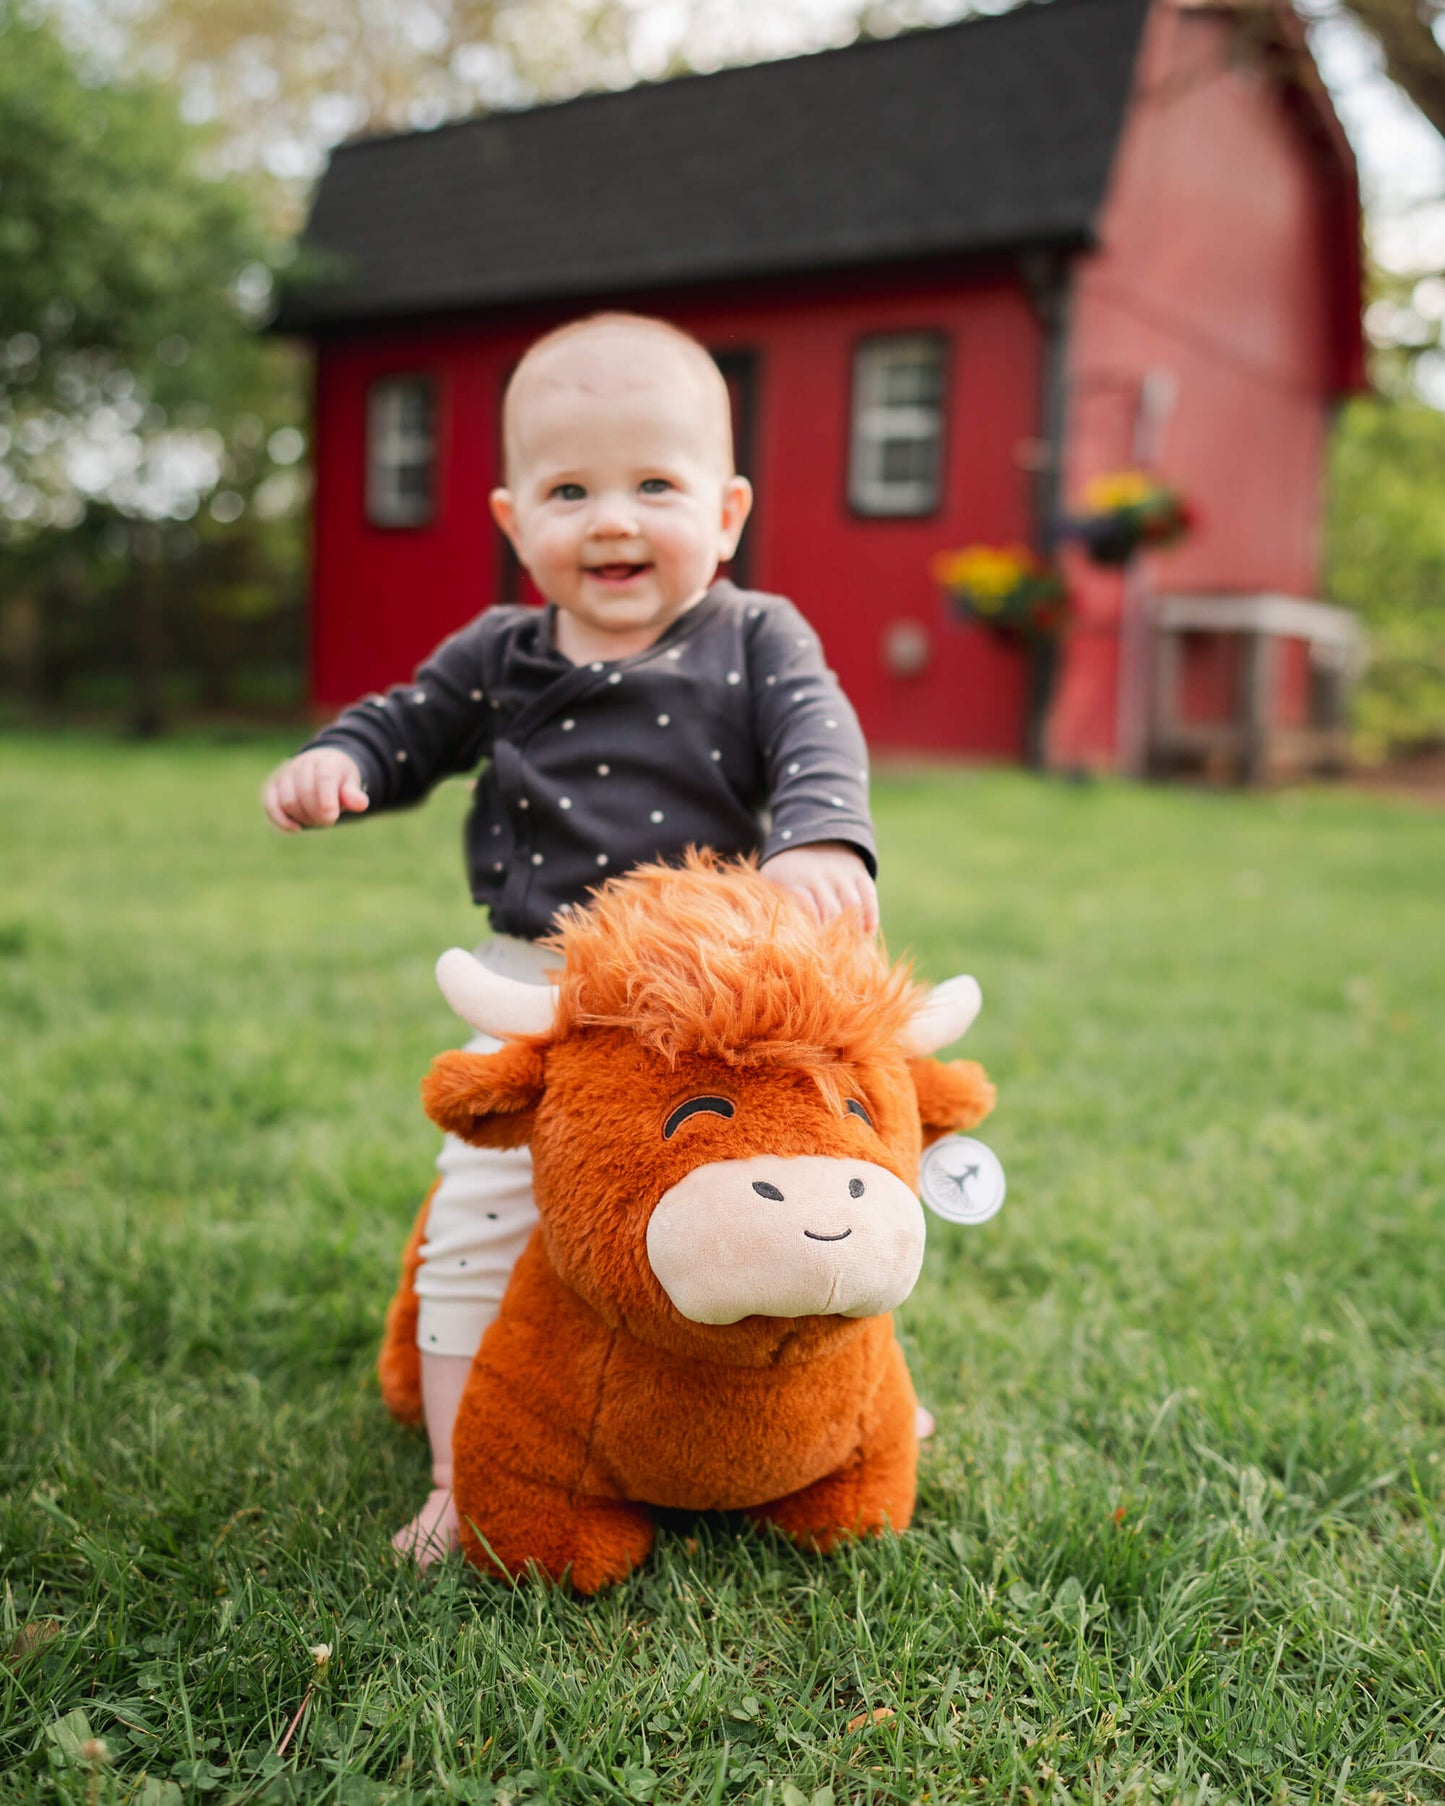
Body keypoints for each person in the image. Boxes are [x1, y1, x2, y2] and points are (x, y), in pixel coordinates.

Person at [262, 311, 893, 1565]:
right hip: (541, 993)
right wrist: (344, 757)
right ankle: (458, 1466)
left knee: (808, 1187)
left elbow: (820, 739)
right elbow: (403, 729)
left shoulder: (759, 636)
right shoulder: (496, 656)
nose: (611, 519)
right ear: (514, 524)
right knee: (484, 1216)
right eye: (569, 490)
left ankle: (852, 1393)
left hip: (707, 1005)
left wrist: (821, 836)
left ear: (726, 512)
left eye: (654, 484)